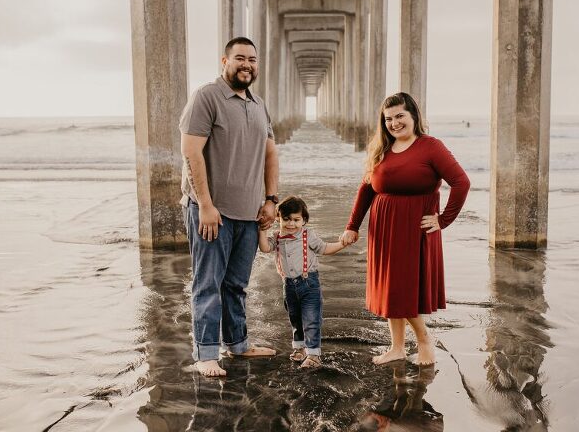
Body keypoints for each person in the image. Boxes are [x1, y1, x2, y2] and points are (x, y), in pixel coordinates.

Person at [341, 92, 470, 366]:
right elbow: (365, 190)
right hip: (383, 229)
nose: (394, 123)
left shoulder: (430, 147)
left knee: (402, 289)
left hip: (414, 229)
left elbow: (461, 182)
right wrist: (353, 226)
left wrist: (443, 219)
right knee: (390, 289)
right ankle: (396, 347)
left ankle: (424, 339)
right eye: (388, 119)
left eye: (400, 116)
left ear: (413, 116)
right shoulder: (381, 148)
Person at [180, 36, 279, 377]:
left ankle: (237, 344)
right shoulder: (207, 97)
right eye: (239, 58)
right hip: (213, 213)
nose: (247, 64)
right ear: (224, 62)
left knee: (236, 284)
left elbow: (269, 154)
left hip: (249, 215)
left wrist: (271, 199)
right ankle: (206, 353)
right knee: (208, 283)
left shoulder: (259, 104)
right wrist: (206, 205)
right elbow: (191, 151)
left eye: (252, 59)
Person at [258, 196, 350, 369]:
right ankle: (300, 348)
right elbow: (264, 248)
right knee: (295, 318)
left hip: (309, 284)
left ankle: (314, 354)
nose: (291, 224)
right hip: (288, 285)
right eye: (286, 219)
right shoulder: (277, 237)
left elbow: (325, 249)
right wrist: (262, 230)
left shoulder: (308, 235)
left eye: (296, 220)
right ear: (278, 219)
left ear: (304, 221)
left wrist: (342, 244)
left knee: (311, 319)